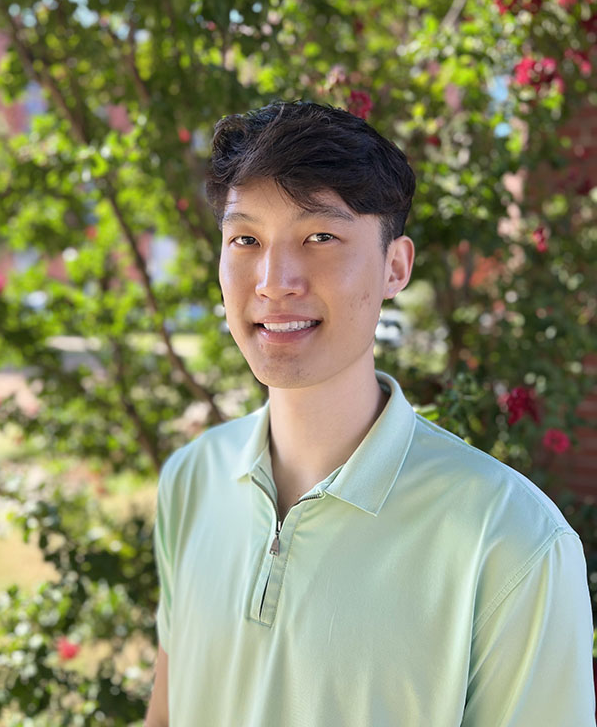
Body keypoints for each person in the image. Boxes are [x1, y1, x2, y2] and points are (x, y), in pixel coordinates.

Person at [145, 101, 595, 727]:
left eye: (320, 237)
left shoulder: (511, 542)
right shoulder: (191, 481)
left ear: (396, 267)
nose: (274, 281)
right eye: (245, 239)